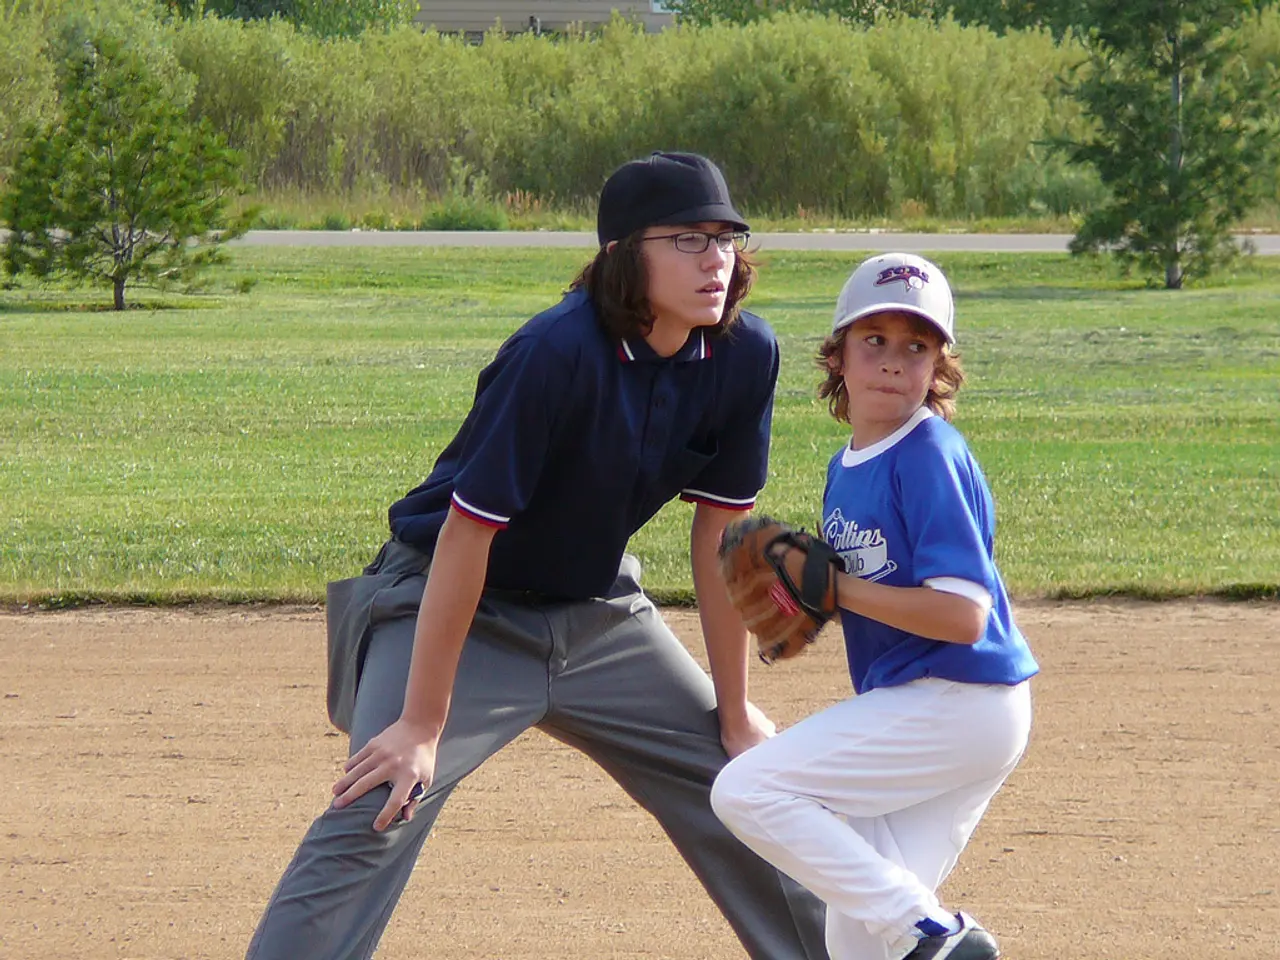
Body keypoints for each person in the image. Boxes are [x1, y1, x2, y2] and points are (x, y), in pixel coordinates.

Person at [245, 152, 828, 960]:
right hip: (451, 605)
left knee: (744, 791)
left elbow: (717, 540)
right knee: (378, 800)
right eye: (688, 238)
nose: (715, 259)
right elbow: (465, 535)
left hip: (598, 618)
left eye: (727, 237)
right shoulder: (555, 352)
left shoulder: (741, 354)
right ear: (628, 252)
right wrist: (421, 723)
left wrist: (733, 714)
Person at [710, 253, 1039, 960]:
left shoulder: (929, 454)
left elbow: (962, 617)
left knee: (747, 791)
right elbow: (865, 588)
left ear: (939, 366)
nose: (894, 361)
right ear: (838, 355)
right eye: (875, 340)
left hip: (960, 699)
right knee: (858, 938)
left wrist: (837, 590)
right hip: (943, 707)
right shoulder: (847, 464)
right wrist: (809, 600)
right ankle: (922, 935)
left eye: (916, 346)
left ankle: (934, 933)